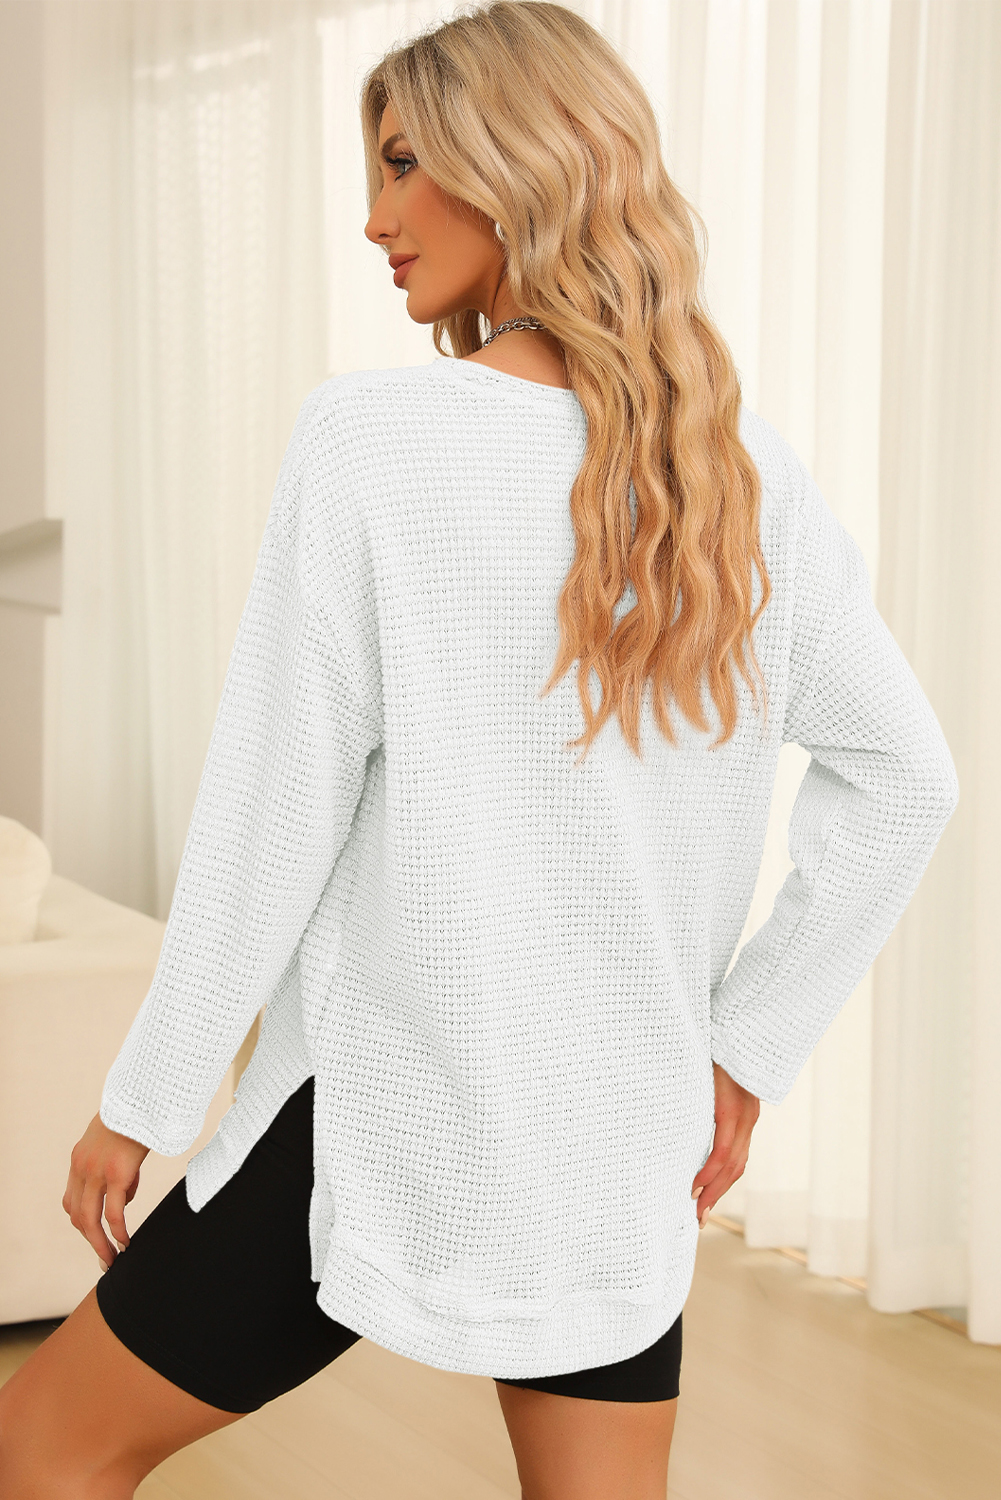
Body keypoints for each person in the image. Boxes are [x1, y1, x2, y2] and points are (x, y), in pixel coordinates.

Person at [0, 3, 959, 1497]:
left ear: (518, 164)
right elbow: (907, 777)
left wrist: (145, 1099)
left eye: (402, 165)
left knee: (43, 1446)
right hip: (617, 1130)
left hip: (381, 1102)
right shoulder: (744, 475)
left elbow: (271, 816)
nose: (373, 219)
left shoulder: (371, 444)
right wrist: (742, 1054)